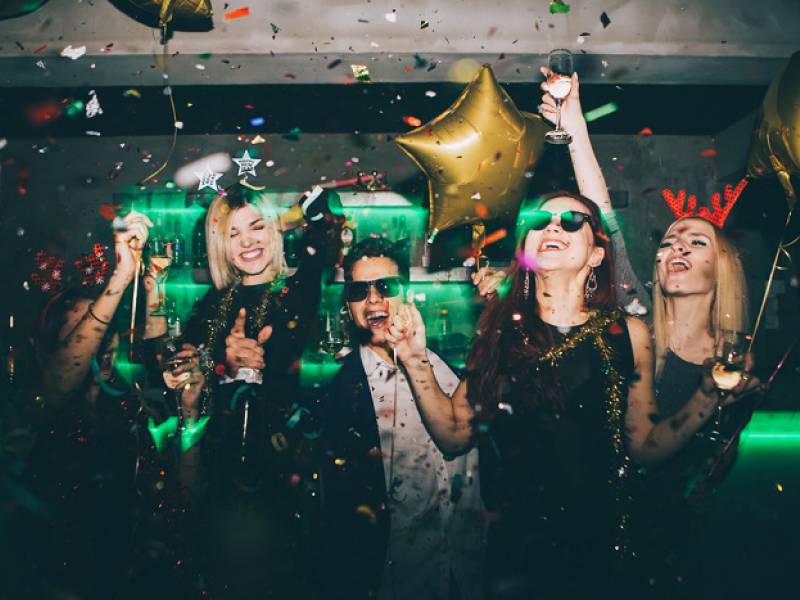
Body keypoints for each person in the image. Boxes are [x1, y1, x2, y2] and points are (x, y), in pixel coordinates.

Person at [384, 190, 760, 598]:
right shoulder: (499, 334)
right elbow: (455, 434)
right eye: (540, 223)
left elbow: (646, 448)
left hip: (600, 552)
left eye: (571, 221)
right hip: (516, 557)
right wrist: (414, 358)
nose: (551, 227)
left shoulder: (628, 335)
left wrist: (707, 396)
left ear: (596, 254)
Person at [538, 69, 765, 594]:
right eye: (667, 241)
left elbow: (713, 467)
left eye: (695, 242)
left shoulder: (736, 364)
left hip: (673, 543)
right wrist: (573, 120)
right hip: (590, 524)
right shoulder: (635, 320)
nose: (676, 248)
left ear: (724, 268)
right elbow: (605, 220)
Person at [161, 183, 341, 599]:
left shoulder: (295, 290)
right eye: (234, 233)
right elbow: (188, 358)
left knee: (284, 572)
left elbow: (323, 237)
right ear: (219, 244)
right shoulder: (213, 302)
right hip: (222, 460)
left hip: (283, 456)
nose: (248, 242)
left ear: (274, 231)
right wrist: (194, 366)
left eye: (257, 227)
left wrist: (306, 212)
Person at [320, 236, 487, 600]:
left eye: (386, 286)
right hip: (399, 581)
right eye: (359, 290)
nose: (374, 299)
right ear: (348, 306)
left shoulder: (451, 369)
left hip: (469, 573)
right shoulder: (341, 395)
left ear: (407, 292)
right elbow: (339, 516)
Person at [23, 211, 165, 599]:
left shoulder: (122, 406)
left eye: (103, 334)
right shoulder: (31, 407)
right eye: (83, 334)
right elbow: (58, 384)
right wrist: (120, 276)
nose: (96, 345)